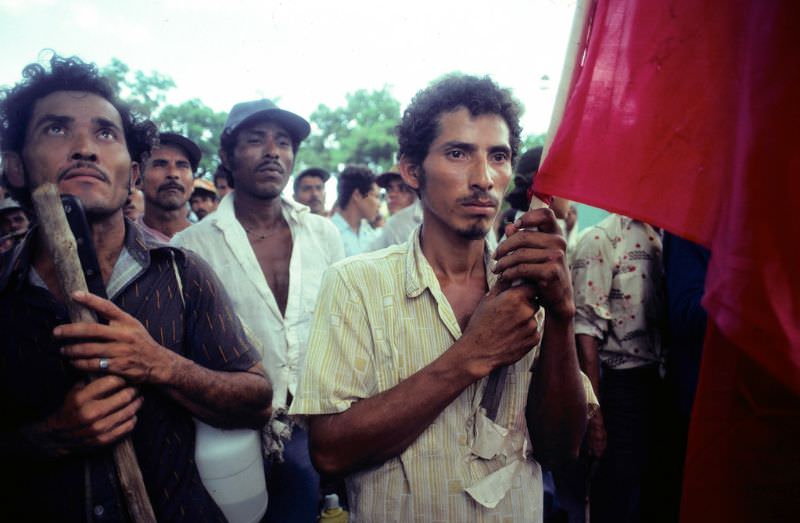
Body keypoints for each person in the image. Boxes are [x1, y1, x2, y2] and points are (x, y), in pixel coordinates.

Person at [290, 74, 595, 522]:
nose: (483, 178)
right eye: (458, 153)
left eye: (499, 156)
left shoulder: (530, 284)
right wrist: (471, 355)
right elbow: (330, 453)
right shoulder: (356, 284)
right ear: (412, 170)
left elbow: (561, 448)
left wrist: (564, 315)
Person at [0, 54, 272, 522]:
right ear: (16, 166)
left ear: (133, 170)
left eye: (106, 133)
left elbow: (256, 400)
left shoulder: (184, 273)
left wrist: (160, 364)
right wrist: (46, 437)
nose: (85, 148)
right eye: (56, 129)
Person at [172, 98, 344, 523]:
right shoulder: (191, 247)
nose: (272, 152)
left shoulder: (322, 233)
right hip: (233, 437)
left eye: (283, 142)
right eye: (255, 140)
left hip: (321, 428)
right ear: (228, 156)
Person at [570, 213, 666, 523]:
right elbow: (584, 331)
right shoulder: (600, 238)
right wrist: (594, 418)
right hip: (620, 384)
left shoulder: (669, 237)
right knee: (616, 491)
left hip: (663, 383)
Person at [136, 131, 202, 243]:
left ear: (192, 183)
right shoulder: (121, 243)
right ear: (139, 179)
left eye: (182, 166)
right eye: (160, 165)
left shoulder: (209, 242)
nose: (173, 174)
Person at [330, 164, 381, 256]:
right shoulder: (328, 232)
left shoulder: (370, 233)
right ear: (357, 195)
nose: (379, 204)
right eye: (376, 196)